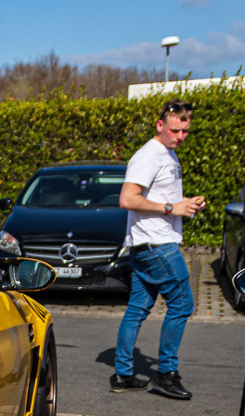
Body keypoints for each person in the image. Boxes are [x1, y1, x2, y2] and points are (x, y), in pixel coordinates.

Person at [111, 99, 205, 400]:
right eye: (175, 130)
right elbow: (127, 199)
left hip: (148, 242)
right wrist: (171, 207)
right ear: (160, 125)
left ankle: (123, 375)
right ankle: (166, 373)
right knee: (182, 305)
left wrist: (184, 206)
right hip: (157, 246)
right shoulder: (150, 155)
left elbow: (160, 198)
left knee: (138, 309)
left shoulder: (167, 153)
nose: (180, 136)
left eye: (185, 131)